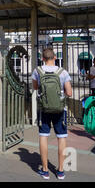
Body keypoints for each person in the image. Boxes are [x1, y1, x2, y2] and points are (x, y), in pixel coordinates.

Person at [32, 48, 72, 180]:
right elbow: (69, 93)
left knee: (43, 136)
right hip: (60, 109)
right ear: (55, 57)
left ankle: (45, 170)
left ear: (42, 59)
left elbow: (35, 87)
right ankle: (60, 171)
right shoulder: (63, 72)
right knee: (62, 137)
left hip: (43, 108)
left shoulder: (37, 71)